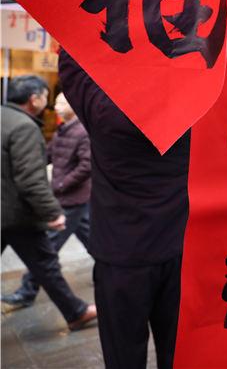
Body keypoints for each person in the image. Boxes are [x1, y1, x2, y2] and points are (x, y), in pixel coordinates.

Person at [59, 50, 189, 369]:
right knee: (179, 354)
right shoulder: (191, 109)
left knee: (122, 357)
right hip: (181, 249)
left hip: (121, 256)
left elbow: (72, 60)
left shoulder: (103, 110)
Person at [1, 75, 97, 331]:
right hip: (28, 208)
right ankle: (78, 305)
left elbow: (86, 165)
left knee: (49, 253)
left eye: (62, 102)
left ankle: (33, 293)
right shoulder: (39, 128)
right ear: (34, 100)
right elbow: (36, 169)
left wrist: (60, 187)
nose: (55, 105)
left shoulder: (78, 131)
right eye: (51, 98)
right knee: (63, 252)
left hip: (69, 199)